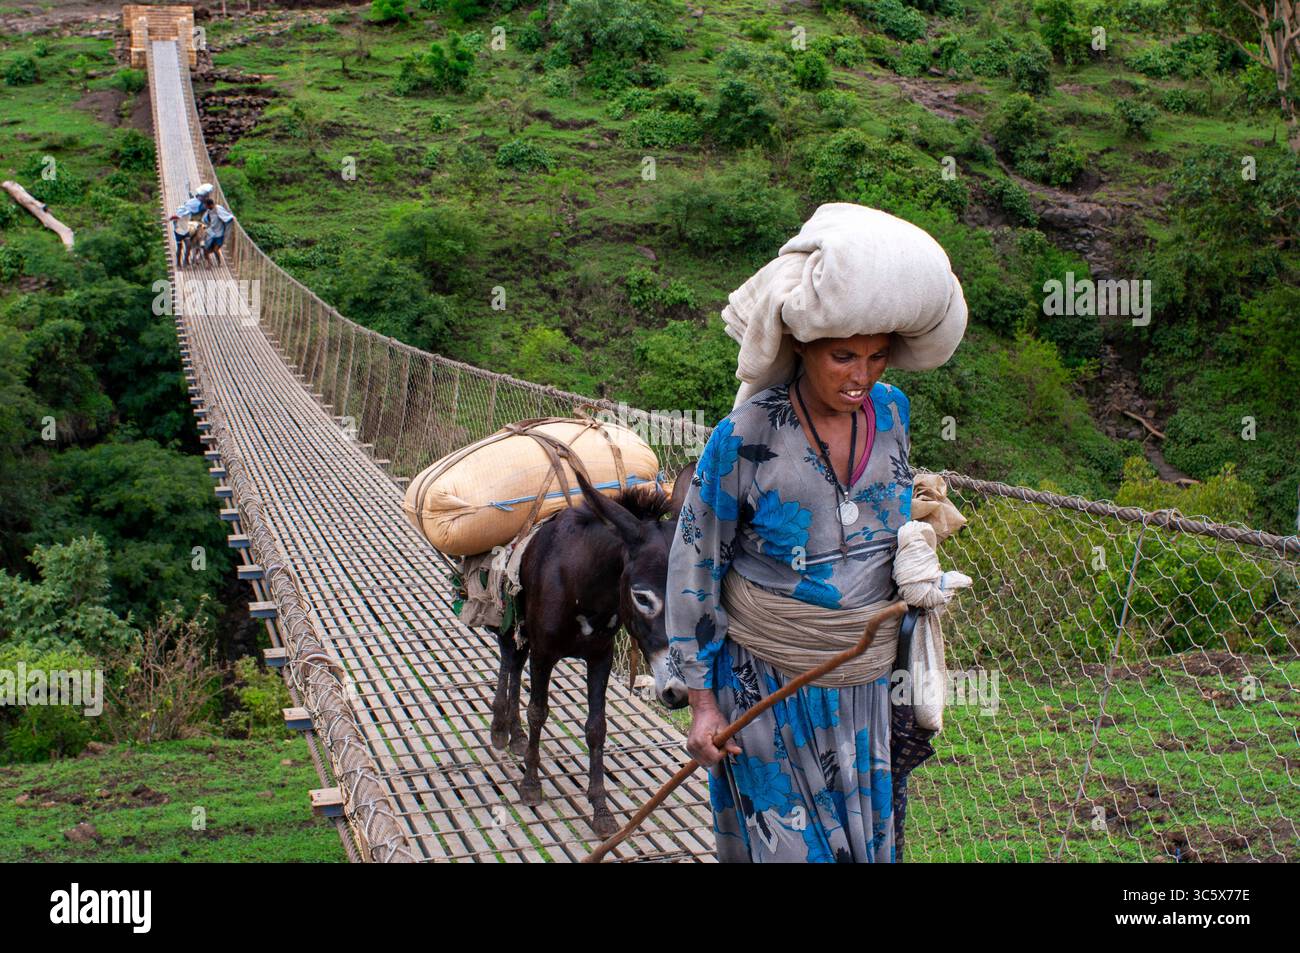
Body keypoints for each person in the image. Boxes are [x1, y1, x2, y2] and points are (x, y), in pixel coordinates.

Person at [665, 202, 968, 863]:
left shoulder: (892, 414)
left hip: (865, 689)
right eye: (843, 356)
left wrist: (916, 564)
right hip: (767, 690)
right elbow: (695, 564)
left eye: (878, 356)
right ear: (801, 344)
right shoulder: (747, 435)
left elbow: (887, 522)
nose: (861, 377)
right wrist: (703, 704)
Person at [200, 197, 234, 266]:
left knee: (216, 249)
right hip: (211, 231)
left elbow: (228, 218)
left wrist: (231, 218)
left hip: (219, 233)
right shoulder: (209, 210)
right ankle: (209, 263)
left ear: (210, 205)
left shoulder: (218, 209)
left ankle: (219, 262)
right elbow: (205, 219)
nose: (206, 207)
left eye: (206, 206)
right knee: (205, 248)